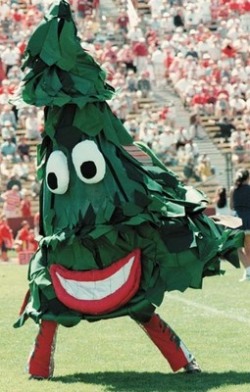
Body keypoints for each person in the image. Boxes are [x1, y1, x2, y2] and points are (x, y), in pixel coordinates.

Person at [229, 169, 250, 281]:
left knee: (238, 249)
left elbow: (231, 206)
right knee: (249, 249)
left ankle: (248, 272)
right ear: (248, 178)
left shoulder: (233, 189)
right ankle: (248, 273)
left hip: (238, 222)